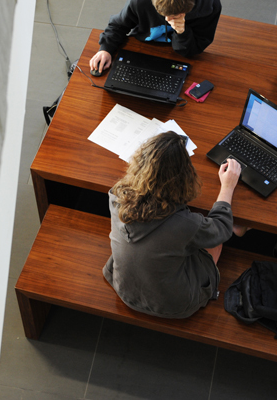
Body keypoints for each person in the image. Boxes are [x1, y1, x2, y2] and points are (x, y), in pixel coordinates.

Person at [103, 132, 242, 319]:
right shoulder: (185, 224)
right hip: (173, 305)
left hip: (124, 290)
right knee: (215, 243)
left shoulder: (117, 195)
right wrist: (228, 186)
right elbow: (222, 228)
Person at [89, 0, 222, 74]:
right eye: (163, 15)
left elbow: (194, 50)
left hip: (181, 57)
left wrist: (182, 32)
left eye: (173, 16)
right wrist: (106, 49)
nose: (167, 20)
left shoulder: (210, 7)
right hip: (142, 48)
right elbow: (119, 25)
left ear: (185, 12)